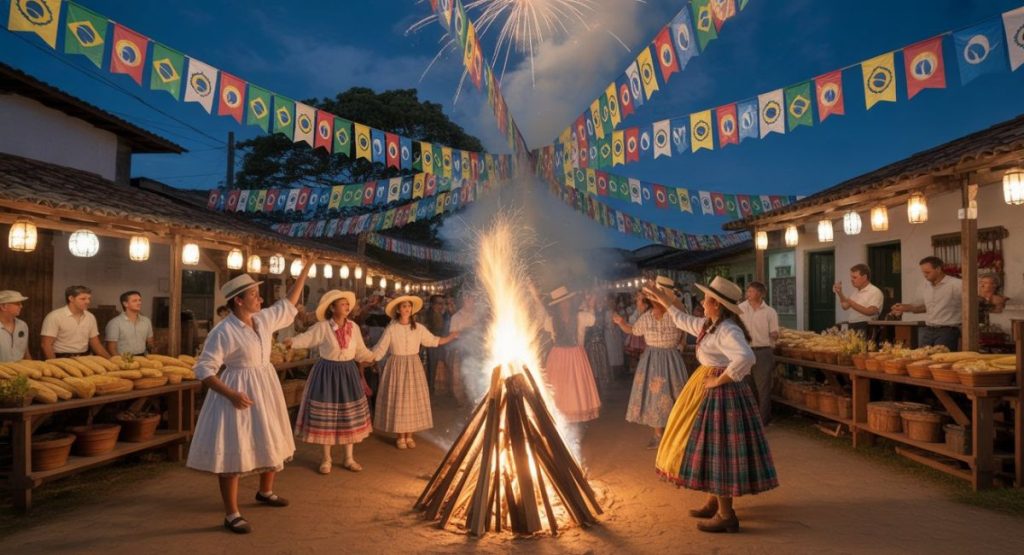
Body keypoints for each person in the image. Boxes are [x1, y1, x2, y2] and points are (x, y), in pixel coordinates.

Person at [186, 261, 313, 534]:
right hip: (237, 389)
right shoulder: (223, 331)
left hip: (265, 386)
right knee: (235, 444)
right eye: (255, 294)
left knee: (270, 435)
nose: (261, 299)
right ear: (239, 301)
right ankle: (231, 513)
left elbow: (288, 304)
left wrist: (304, 272)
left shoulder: (263, 319)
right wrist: (231, 394)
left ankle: (265, 491)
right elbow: (204, 369)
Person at [648, 277, 778, 534]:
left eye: (706, 299)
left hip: (722, 394)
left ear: (717, 304)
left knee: (718, 450)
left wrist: (719, 380)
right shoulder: (710, 324)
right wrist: (662, 298)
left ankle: (726, 515)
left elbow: (746, 356)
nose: (702, 302)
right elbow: (682, 320)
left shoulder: (728, 329)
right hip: (708, 388)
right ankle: (714, 502)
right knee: (709, 448)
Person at [286, 290, 374, 475]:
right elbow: (307, 338)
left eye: (347, 304)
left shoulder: (353, 327)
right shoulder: (323, 327)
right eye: (342, 304)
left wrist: (372, 357)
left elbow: (360, 350)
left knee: (348, 415)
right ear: (332, 308)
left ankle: (349, 458)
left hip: (348, 373)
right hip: (327, 373)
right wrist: (291, 342)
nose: (347, 307)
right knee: (327, 415)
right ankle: (326, 459)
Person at [371, 295, 459, 449]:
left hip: (413, 366)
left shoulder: (418, 328)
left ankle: (409, 435)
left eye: (409, 306)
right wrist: (367, 357)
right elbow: (380, 349)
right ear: (398, 310)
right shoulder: (392, 328)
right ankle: (400, 436)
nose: (407, 309)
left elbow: (433, 340)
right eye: (404, 306)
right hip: (397, 366)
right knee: (399, 401)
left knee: (411, 401)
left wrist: (450, 337)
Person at [612, 276, 687, 449]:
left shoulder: (677, 313)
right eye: (652, 297)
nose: (652, 299)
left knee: (675, 395)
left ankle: (675, 433)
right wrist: (621, 322)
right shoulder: (647, 317)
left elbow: (685, 330)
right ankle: (658, 435)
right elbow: (633, 330)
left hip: (671, 358)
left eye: (654, 296)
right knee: (655, 397)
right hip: (652, 359)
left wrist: (681, 345)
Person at [543, 286, 602, 423]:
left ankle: (574, 418)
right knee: (559, 387)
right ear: (557, 306)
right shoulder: (551, 320)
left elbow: (592, 320)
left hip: (575, 355)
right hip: (559, 356)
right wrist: (590, 306)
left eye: (567, 301)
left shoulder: (580, 316)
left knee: (575, 387)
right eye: (562, 303)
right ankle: (560, 418)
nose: (565, 304)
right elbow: (592, 319)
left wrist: (591, 306)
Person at [891, 256, 962, 351]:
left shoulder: (956, 284)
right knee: (922, 356)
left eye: (928, 272)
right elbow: (922, 307)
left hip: (947, 331)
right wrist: (905, 307)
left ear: (938, 269)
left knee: (941, 358)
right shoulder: (924, 285)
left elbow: (973, 302)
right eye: (923, 272)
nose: (925, 275)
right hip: (927, 329)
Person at [738, 282, 780, 425]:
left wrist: (774, 335)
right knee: (747, 386)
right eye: (748, 291)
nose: (748, 294)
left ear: (760, 294)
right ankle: (750, 418)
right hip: (745, 351)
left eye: (751, 291)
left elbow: (775, 332)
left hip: (763, 352)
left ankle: (763, 420)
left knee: (763, 388)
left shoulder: (770, 312)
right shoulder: (741, 309)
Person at [40, 285, 110, 360]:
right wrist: (55, 363)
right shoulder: (55, 316)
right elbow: (46, 345)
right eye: (83, 299)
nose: (88, 302)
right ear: (71, 298)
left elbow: (96, 344)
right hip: (61, 358)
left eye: (89, 298)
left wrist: (111, 360)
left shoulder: (90, 317)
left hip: (84, 358)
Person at [441, 293, 478, 405]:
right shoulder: (456, 317)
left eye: (472, 299)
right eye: (467, 300)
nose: (470, 302)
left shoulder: (477, 315)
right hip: (460, 349)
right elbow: (453, 334)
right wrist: (466, 332)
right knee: (458, 375)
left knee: (474, 373)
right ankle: (460, 399)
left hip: (475, 349)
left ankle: (474, 397)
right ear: (463, 302)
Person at [832, 264, 884, 335]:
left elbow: (871, 311)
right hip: (853, 325)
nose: (852, 280)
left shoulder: (875, 291)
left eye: (855, 277)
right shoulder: (856, 292)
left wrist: (851, 302)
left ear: (864, 277)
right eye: (851, 277)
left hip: (866, 327)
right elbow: (845, 306)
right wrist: (840, 293)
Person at [105, 290, 155, 356]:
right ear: (125, 304)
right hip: (124, 358)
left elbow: (150, 342)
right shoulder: (115, 323)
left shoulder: (146, 321)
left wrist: (152, 351)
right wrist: (120, 361)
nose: (139, 303)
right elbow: (111, 349)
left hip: (143, 357)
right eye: (135, 301)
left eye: (140, 300)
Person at [582, 291, 613, 395]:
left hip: (600, 344)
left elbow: (606, 326)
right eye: (591, 299)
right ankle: (595, 391)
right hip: (590, 345)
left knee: (601, 369)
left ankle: (601, 391)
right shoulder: (585, 313)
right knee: (593, 370)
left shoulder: (602, 312)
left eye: (594, 299)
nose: (593, 301)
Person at [423, 294, 448, 393]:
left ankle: (434, 388)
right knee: (432, 367)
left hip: (441, 343)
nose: (442, 306)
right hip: (432, 344)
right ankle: (430, 388)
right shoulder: (429, 315)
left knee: (438, 366)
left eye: (443, 303)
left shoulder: (442, 314)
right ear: (433, 304)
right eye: (439, 303)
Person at [0, 290, 31, 362]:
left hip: (20, 368)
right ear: (3, 306)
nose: (21, 306)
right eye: (17, 303)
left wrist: (32, 365)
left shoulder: (23, 325)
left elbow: (25, 352)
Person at [623, 291, 649, 372]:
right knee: (638, 355)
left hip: (646, 338)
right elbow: (632, 322)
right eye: (637, 298)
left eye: (639, 298)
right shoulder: (637, 311)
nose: (636, 299)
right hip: (638, 335)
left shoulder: (647, 312)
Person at [603, 292, 626, 377]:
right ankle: (613, 372)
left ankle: (619, 370)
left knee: (618, 350)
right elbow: (605, 323)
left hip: (617, 332)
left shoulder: (618, 311)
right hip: (609, 334)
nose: (611, 303)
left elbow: (622, 321)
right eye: (609, 301)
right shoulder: (605, 312)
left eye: (613, 301)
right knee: (611, 352)